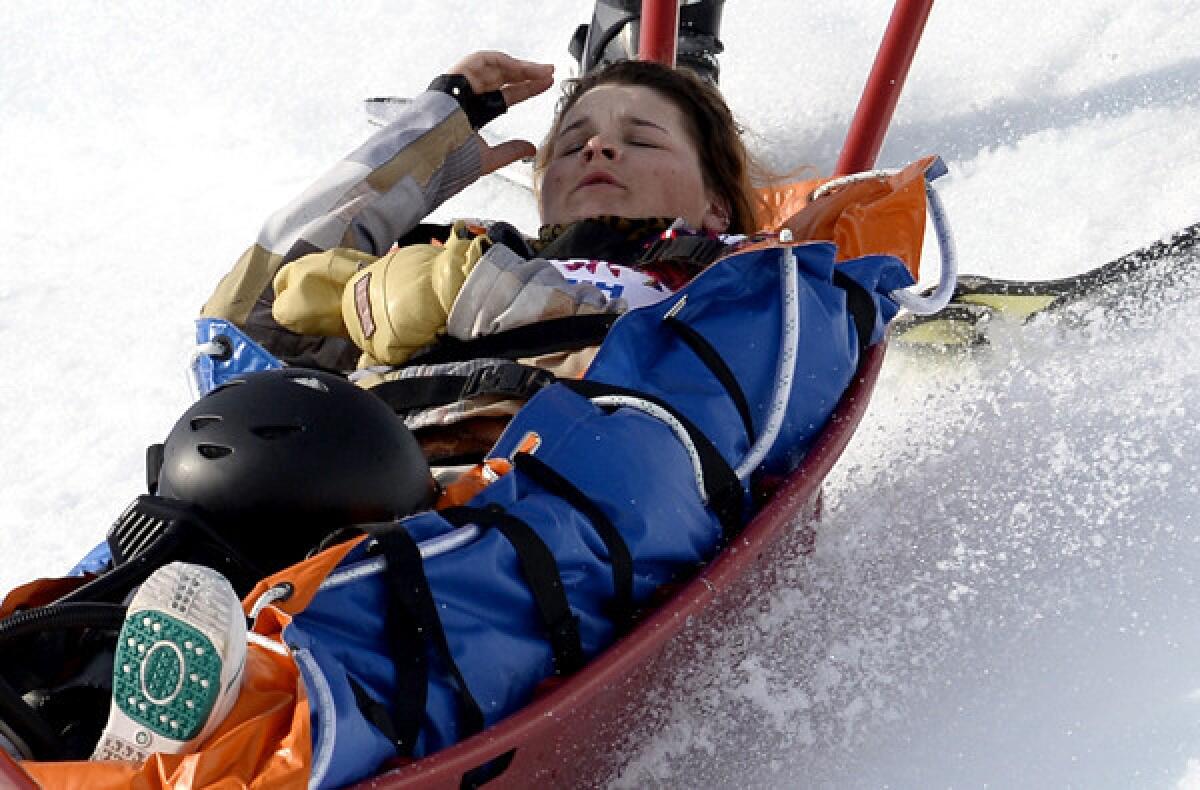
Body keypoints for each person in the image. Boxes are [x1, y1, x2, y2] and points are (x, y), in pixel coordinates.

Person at [199, 50, 767, 467]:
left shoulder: (735, 279)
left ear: (717, 205)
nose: (596, 148)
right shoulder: (454, 253)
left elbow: (707, 382)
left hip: (533, 492)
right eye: (571, 146)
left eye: (640, 140)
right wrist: (434, 139)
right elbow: (246, 331)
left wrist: (469, 293)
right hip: (336, 476)